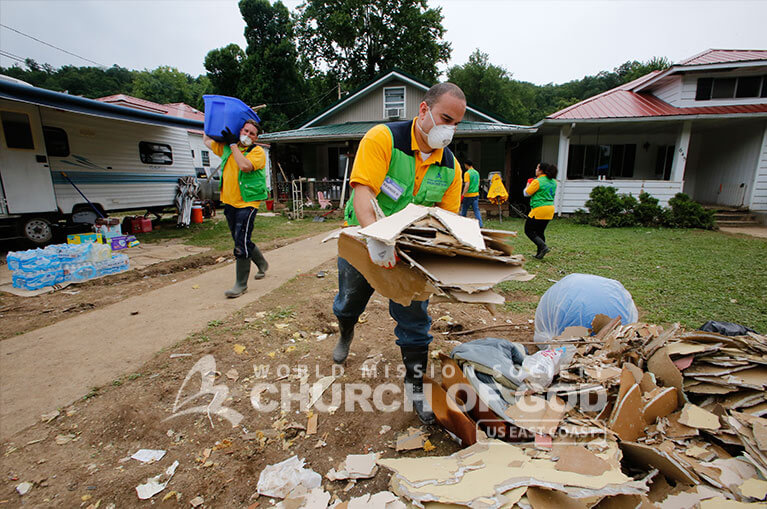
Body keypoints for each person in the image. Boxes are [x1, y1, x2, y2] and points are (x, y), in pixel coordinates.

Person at [332, 83, 466, 424]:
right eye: (445, 119)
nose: (449, 130)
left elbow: (447, 221)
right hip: (364, 238)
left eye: (456, 124)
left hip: (410, 248)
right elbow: (363, 192)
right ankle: (346, 330)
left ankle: (415, 382)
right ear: (423, 110)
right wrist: (377, 238)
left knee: (415, 318)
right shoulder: (384, 139)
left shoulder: (451, 168)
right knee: (349, 300)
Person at [203, 119, 269, 298]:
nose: (247, 135)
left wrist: (233, 144)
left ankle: (241, 285)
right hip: (229, 202)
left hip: (247, 204)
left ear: (256, 138)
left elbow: (245, 166)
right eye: (245, 131)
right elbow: (206, 140)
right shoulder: (227, 148)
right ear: (240, 130)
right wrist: (210, 121)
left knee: (240, 242)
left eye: (252, 133)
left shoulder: (257, 152)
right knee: (240, 238)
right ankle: (262, 263)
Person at [523, 162, 558, 259]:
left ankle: (543, 247)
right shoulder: (554, 182)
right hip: (550, 209)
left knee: (528, 230)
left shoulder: (537, 181)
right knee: (540, 232)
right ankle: (539, 254)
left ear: (541, 170)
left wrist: (528, 184)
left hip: (539, 209)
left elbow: (526, 193)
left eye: (537, 168)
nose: (536, 170)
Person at [459, 160, 483, 227]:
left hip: (468, 195)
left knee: (464, 210)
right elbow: (478, 184)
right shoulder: (476, 173)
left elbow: (467, 185)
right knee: (476, 210)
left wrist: (463, 194)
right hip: (476, 194)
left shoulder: (467, 173)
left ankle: (461, 224)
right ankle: (480, 224)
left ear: (466, 165)